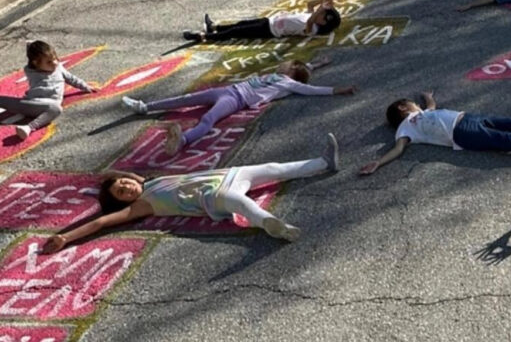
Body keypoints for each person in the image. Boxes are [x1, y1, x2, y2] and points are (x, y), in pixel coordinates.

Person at [41, 133, 341, 253]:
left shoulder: (146, 182)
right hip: (212, 198)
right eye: (122, 192)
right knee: (241, 203)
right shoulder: (141, 206)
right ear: (123, 202)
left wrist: (100, 183)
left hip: (230, 174)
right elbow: (102, 222)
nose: (127, 186)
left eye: (124, 183)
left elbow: (119, 174)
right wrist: (65, 238)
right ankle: (273, 225)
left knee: (274, 168)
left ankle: (322, 162)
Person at [121, 58, 355, 155]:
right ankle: (146, 106)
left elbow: (311, 89)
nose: (281, 63)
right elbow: (306, 68)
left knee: (208, 119)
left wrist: (337, 90)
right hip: (227, 89)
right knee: (187, 99)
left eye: (287, 63)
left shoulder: (289, 83)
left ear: (292, 69)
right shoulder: (280, 75)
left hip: (236, 99)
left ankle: (183, 140)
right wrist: (320, 63)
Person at [358, 91, 511, 175]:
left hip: (468, 117)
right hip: (461, 134)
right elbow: (398, 149)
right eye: (412, 104)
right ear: (403, 108)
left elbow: (430, 105)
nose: (417, 107)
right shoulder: (405, 127)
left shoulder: (424, 113)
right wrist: (378, 162)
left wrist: (427, 97)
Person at [1, 41, 96, 140]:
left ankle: (29, 127)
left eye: (55, 58)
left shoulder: (58, 67)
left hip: (49, 106)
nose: (54, 63)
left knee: (56, 109)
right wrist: (30, 46)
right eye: (49, 62)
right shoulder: (32, 71)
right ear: (35, 63)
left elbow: (71, 78)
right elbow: (30, 62)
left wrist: (85, 86)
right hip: (30, 104)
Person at [183, 0, 343, 42]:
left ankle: (202, 37)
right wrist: (326, 0)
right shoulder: (311, 15)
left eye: (322, 14)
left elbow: (308, 22)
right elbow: (309, 4)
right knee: (240, 24)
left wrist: (322, 8)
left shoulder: (312, 28)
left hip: (269, 30)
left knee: (236, 32)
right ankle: (214, 27)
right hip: (269, 21)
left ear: (323, 21)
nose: (318, 13)